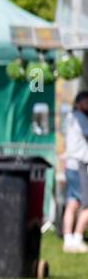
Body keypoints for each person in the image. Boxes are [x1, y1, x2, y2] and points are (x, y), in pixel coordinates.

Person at [60, 90, 88, 253]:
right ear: (78, 103)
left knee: (72, 203)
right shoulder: (80, 117)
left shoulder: (69, 118)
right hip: (79, 165)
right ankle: (77, 238)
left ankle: (67, 239)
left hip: (70, 165)